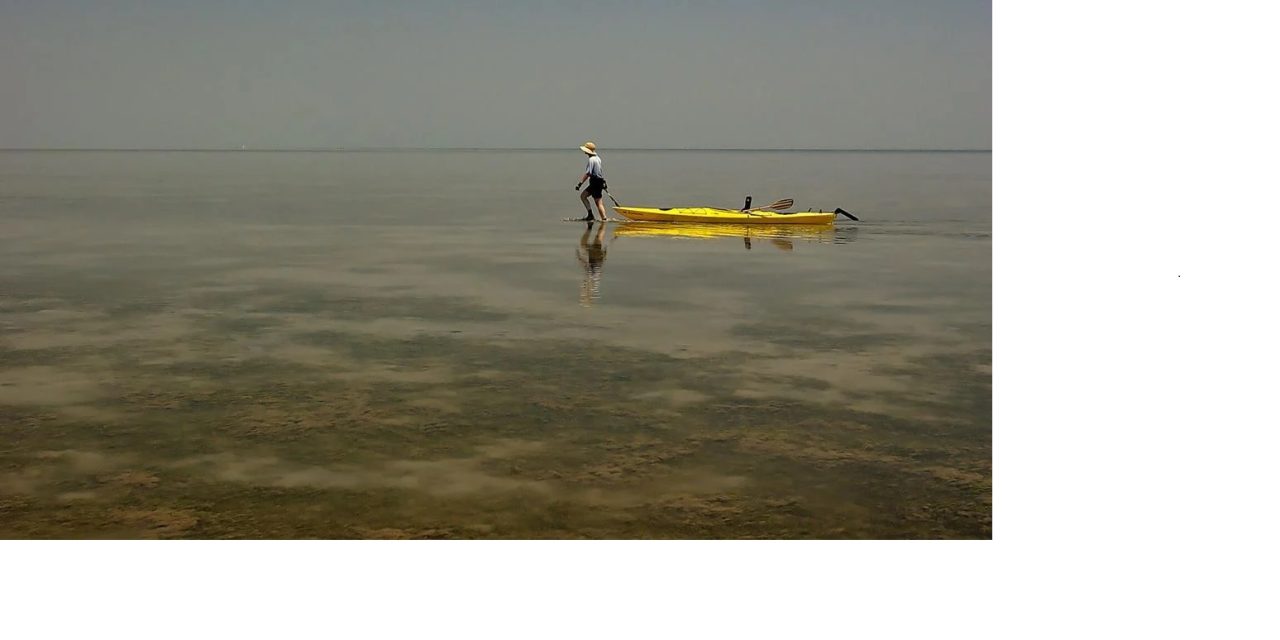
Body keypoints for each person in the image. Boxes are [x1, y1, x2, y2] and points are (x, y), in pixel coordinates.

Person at [574, 141, 608, 221]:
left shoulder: (591, 160)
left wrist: (580, 183)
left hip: (595, 182)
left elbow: (588, 173)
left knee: (598, 202)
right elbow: (600, 171)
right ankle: (590, 215)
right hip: (597, 182)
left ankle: (604, 219)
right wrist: (603, 182)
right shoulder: (598, 158)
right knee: (583, 196)